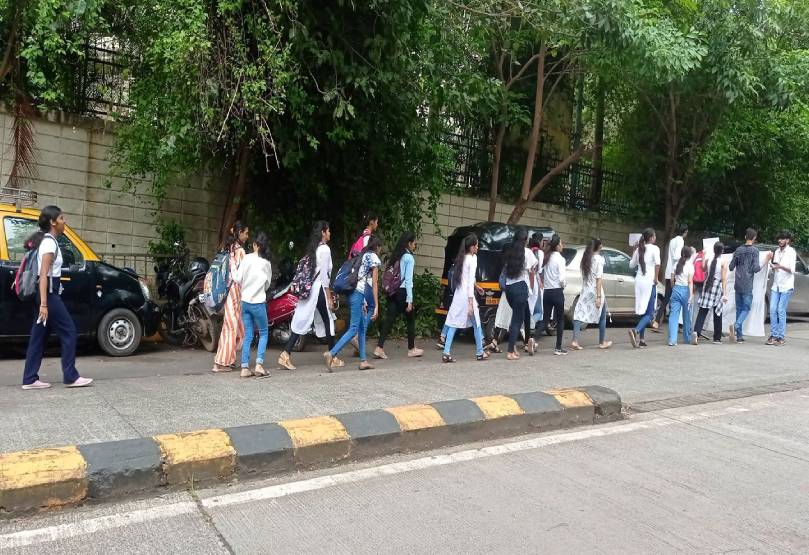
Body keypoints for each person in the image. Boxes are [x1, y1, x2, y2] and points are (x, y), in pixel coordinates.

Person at [21, 206, 93, 389]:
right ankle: (71, 376)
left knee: (38, 337)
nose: (65, 221)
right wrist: (44, 304)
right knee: (69, 332)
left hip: (45, 296)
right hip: (48, 297)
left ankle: (29, 379)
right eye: (62, 218)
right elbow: (43, 275)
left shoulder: (48, 241)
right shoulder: (49, 243)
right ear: (53, 222)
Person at [278, 221, 339, 370]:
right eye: (329, 231)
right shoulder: (324, 249)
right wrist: (329, 295)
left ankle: (333, 356)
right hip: (318, 289)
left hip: (311, 290)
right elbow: (324, 276)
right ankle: (332, 356)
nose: (330, 233)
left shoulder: (315, 249)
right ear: (324, 232)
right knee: (326, 320)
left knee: (322, 319)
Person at [327, 237, 382, 370]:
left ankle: (363, 361)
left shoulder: (361, 255)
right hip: (358, 294)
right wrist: (376, 305)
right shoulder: (373, 257)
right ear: (378, 247)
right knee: (353, 329)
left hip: (352, 292)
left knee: (362, 328)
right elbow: (374, 283)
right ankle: (332, 353)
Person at [375, 232, 424, 359]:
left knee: (390, 318)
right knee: (410, 319)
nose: (415, 245)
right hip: (402, 292)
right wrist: (410, 299)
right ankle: (411, 348)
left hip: (393, 291)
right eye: (414, 242)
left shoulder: (397, 256)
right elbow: (408, 280)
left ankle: (379, 347)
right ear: (409, 243)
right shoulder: (409, 258)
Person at [442, 234, 489, 363]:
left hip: (459, 294)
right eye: (477, 245)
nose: (478, 247)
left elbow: (465, 278)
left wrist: (476, 286)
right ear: (472, 247)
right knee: (477, 324)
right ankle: (480, 352)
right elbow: (469, 281)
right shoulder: (473, 259)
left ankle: (446, 352)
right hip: (467, 297)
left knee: (453, 322)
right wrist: (470, 302)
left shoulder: (462, 258)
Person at [232, 231, 272, 378]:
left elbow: (237, 278)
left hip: (245, 302)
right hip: (258, 303)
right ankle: (259, 365)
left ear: (255, 245)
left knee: (248, 335)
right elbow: (267, 284)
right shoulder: (266, 263)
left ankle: (244, 368)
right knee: (263, 333)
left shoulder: (247, 258)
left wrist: (233, 267)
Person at [212, 221, 249, 372]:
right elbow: (240, 276)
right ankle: (220, 363)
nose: (247, 236)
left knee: (235, 326)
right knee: (231, 327)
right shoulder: (240, 251)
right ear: (239, 233)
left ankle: (230, 359)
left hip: (227, 291)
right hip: (235, 292)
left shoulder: (227, 248)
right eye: (246, 233)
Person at [502, 229, 538, 360]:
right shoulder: (527, 252)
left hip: (509, 288)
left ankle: (514, 348)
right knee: (517, 320)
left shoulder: (509, 251)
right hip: (521, 287)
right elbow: (534, 268)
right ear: (525, 239)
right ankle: (510, 351)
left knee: (518, 317)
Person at [571, 238, 612, 350]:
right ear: (599, 247)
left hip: (585, 290)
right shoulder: (599, 259)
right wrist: (598, 296)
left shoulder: (586, 259)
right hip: (595, 290)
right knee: (602, 316)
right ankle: (602, 341)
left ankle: (575, 340)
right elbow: (599, 279)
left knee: (578, 314)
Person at [628, 228, 660, 349]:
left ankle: (641, 339)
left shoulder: (638, 249)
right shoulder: (655, 248)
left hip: (639, 281)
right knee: (650, 312)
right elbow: (658, 264)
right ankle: (635, 331)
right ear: (651, 238)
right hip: (649, 282)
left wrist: (633, 251)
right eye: (655, 236)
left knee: (643, 310)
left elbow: (631, 265)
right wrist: (656, 278)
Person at [653, 223, 688, 332]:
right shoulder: (680, 241)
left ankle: (656, 321)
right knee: (681, 298)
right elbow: (678, 256)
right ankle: (680, 325)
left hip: (669, 272)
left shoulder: (672, 240)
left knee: (667, 298)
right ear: (685, 232)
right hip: (676, 273)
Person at [728, 228, 762, 343]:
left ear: (745, 237)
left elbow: (731, 267)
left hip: (738, 283)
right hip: (748, 284)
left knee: (739, 309)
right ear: (754, 238)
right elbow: (756, 268)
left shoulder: (738, 250)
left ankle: (739, 336)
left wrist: (734, 256)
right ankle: (737, 325)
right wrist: (766, 261)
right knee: (746, 308)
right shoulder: (755, 251)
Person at [693, 241, 728, 345]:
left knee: (702, 311)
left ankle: (696, 332)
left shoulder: (709, 260)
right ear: (722, 251)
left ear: (713, 250)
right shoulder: (723, 261)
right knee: (717, 312)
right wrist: (725, 293)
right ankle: (717, 338)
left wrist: (703, 256)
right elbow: (724, 279)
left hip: (707, 286)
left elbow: (703, 268)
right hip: (717, 288)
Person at [766, 230, 797, 346]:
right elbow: (775, 265)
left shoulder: (791, 252)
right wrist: (772, 265)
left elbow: (792, 270)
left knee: (780, 310)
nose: (780, 241)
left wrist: (780, 266)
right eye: (779, 238)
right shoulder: (777, 251)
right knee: (773, 309)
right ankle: (773, 335)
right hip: (776, 285)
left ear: (787, 240)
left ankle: (781, 337)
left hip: (787, 286)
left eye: (782, 238)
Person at [541, 234, 568, 355]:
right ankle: (558, 348)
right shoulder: (560, 259)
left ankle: (533, 340)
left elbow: (541, 273)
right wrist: (564, 285)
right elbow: (562, 279)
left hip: (547, 292)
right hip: (557, 291)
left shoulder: (547, 257)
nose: (563, 246)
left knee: (545, 319)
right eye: (561, 243)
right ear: (557, 246)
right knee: (560, 320)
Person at [667, 246, 695, 346]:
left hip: (676, 289)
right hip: (686, 291)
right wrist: (691, 295)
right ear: (690, 255)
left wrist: (673, 288)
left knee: (673, 316)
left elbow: (671, 279)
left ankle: (672, 340)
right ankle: (687, 339)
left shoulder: (676, 264)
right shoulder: (690, 266)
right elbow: (690, 281)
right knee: (687, 316)